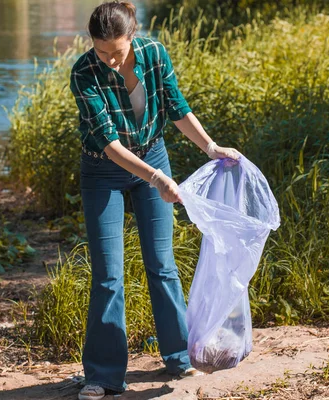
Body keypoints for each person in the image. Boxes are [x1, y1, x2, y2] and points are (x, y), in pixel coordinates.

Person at [69, 2, 241, 399]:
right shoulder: (83, 72)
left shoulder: (153, 54)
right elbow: (109, 142)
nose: (110, 60)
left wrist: (211, 147)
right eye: (101, 51)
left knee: (162, 265)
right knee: (108, 274)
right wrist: (157, 178)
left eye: (117, 51)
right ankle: (104, 375)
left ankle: (180, 357)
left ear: (133, 36)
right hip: (103, 172)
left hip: (152, 158)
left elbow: (177, 108)